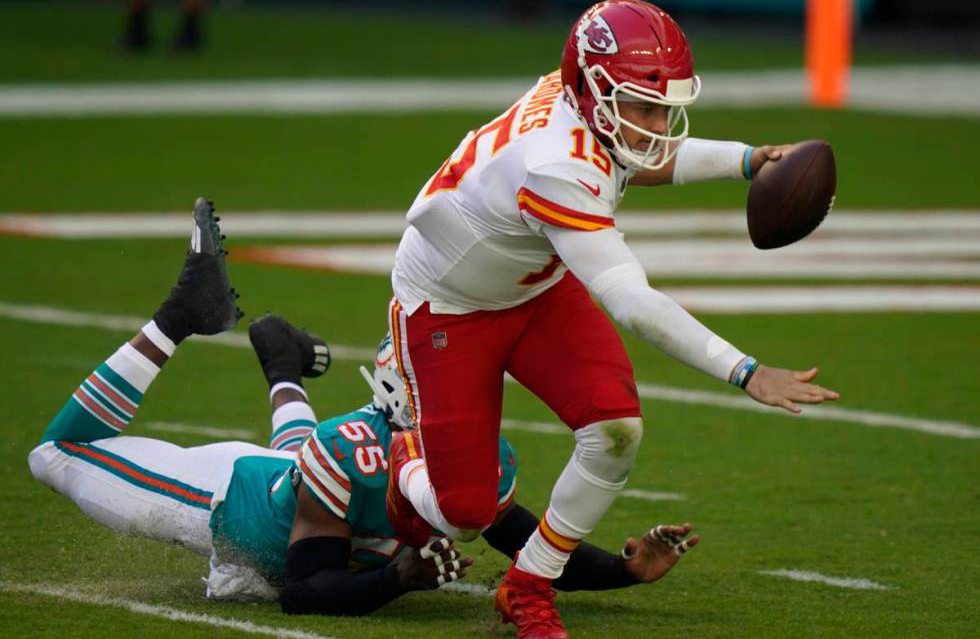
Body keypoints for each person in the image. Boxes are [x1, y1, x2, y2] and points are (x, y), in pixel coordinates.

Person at [383, 0, 841, 639]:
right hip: (449, 307)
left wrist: (745, 160)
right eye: (644, 105)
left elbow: (637, 151)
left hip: (532, 285)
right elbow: (631, 301)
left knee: (615, 427)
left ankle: (528, 585)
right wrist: (746, 372)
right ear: (594, 90)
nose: (658, 122)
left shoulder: (581, 105)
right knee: (463, 512)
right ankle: (404, 458)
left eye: (663, 105)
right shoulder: (556, 164)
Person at [28, 198, 701, 616]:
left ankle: (282, 362)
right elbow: (303, 588)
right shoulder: (351, 449)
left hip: (313, 477)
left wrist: (623, 571)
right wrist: (397, 577)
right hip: (228, 500)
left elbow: (526, 541)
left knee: (317, 465)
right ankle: (178, 318)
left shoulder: (467, 453)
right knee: (56, 452)